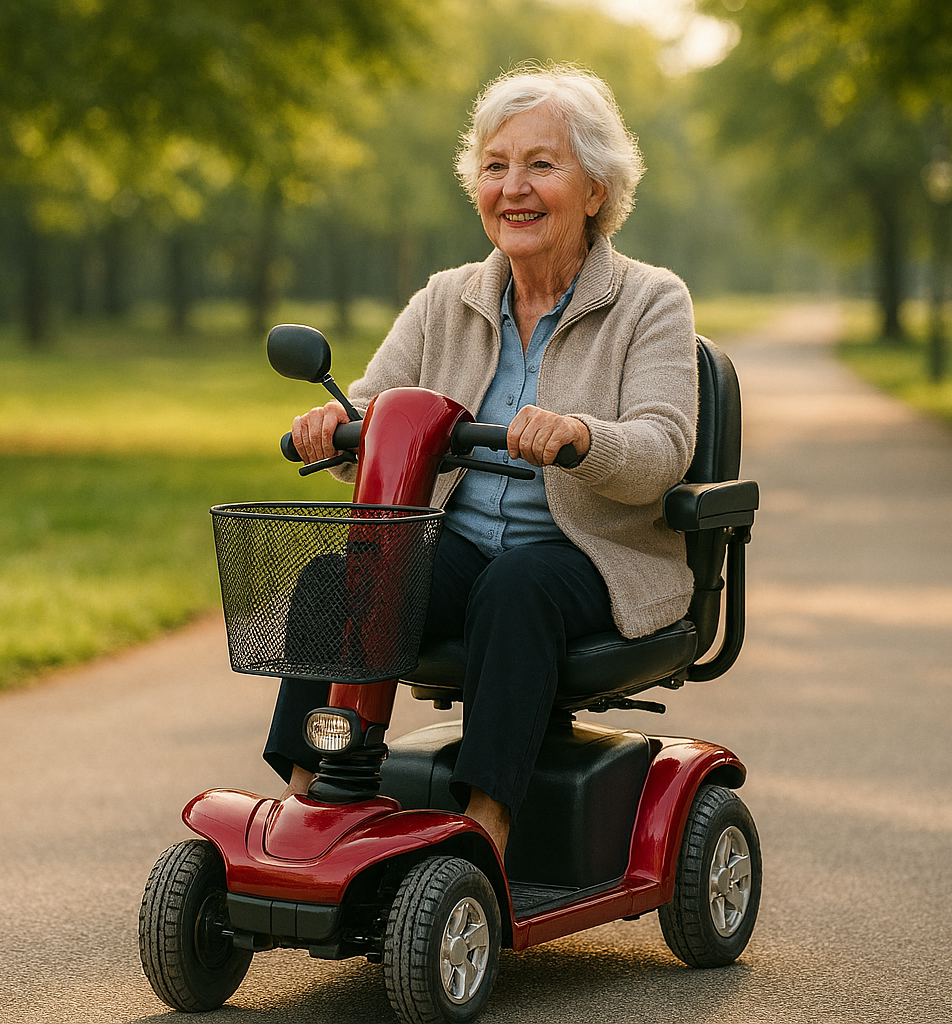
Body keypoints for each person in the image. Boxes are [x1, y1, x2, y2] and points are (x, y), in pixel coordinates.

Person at [265, 65, 699, 858]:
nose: (514, 187)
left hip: (592, 557)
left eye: (542, 164)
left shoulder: (652, 300)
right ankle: (306, 808)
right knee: (339, 575)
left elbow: (663, 449)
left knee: (518, 583)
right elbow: (374, 412)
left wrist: (580, 437)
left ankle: (485, 834)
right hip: (463, 552)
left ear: (596, 189)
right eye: (496, 166)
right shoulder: (447, 298)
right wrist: (336, 426)